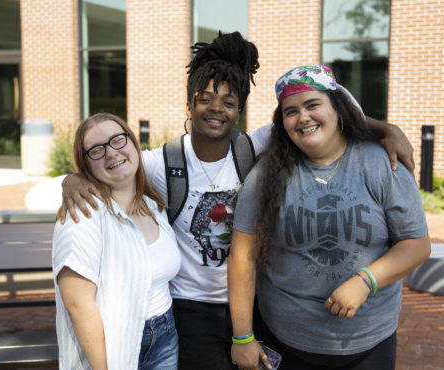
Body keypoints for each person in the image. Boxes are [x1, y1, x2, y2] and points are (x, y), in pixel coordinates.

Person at [59, 33, 415, 370]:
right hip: (192, 307)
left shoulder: (253, 147)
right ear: (189, 102)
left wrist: (384, 129)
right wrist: (73, 179)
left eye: (228, 102)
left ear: (240, 109)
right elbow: (116, 166)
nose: (216, 109)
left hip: (253, 302)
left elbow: (330, 109)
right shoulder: (161, 163)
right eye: (205, 99)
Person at [229, 65, 431, 370]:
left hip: (369, 344)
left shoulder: (380, 163)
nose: (303, 118)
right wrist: (243, 337)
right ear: (282, 123)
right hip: (288, 343)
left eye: (313, 105)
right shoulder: (266, 175)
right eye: (291, 111)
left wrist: (366, 280)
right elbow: (242, 257)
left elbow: (417, 243)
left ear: (338, 109)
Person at [52, 113, 181, 369]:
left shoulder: (153, 206)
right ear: (86, 164)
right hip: (113, 344)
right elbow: (79, 307)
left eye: (117, 140)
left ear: (133, 144)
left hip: (165, 335)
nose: (111, 153)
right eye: (96, 150)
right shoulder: (82, 216)